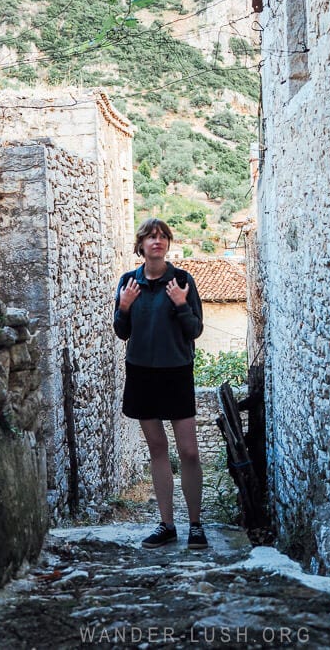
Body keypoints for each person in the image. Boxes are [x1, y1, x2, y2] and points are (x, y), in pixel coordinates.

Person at [113, 217, 208, 550]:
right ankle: (167, 525)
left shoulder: (182, 281)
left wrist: (181, 304)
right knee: (158, 450)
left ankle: (195, 525)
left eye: (163, 236)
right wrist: (124, 307)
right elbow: (122, 331)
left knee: (190, 452)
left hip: (176, 372)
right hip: (141, 374)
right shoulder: (128, 283)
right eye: (151, 237)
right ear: (141, 245)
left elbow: (194, 330)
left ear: (168, 243)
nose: (158, 241)